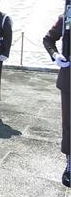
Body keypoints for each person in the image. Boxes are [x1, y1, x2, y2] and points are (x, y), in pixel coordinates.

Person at [43, 13, 71, 187]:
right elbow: (48, 39)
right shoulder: (66, 16)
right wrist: (55, 55)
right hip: (69, 78)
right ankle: (70, 164)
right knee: (69, 124)